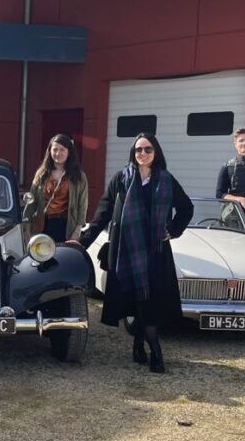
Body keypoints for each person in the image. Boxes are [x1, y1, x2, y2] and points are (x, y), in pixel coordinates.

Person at [72, 133, 193, 373]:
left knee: (148, 302)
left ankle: (153, 350)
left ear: (156, 152)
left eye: (148, 149)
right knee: (137, 300)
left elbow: (186, 208)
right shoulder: (121, 178)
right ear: (133, 153)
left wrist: (172, 230)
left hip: (155, 252)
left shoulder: (166, 180)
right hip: (126, 251)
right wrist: (81, 242)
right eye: (138, 150)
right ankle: (143, 347)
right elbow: (103, 214)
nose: (143, 154)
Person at [22, 134, 89, 242]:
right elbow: (31, 202)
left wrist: (77, 230)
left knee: (63, 253)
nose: (58, 153)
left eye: (62, 150)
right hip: (42, 224)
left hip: (66, 225)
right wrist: (27, 229)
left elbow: (82, 205)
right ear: (50, 151)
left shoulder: (79, 176)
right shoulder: (42, 174)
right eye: (55, 149)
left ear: (69, 152)